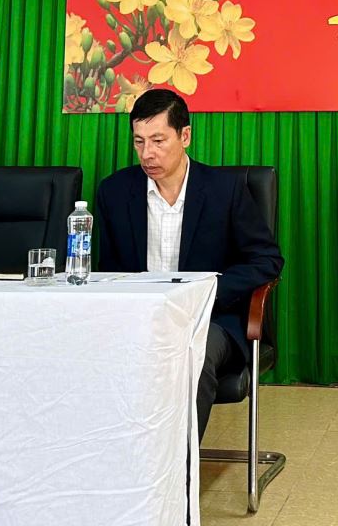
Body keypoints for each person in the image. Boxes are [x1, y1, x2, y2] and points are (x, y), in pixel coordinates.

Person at [95, 88, 284, 441]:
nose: (147, 154)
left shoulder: (225, 190)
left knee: (191, 354)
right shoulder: (115, 192)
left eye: (158, 141)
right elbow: (107, 270)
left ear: (185, 136)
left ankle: (177, 469)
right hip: (138, 316)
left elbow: (267, 260)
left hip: (208, 319)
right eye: (138, 142)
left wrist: (209, 291)